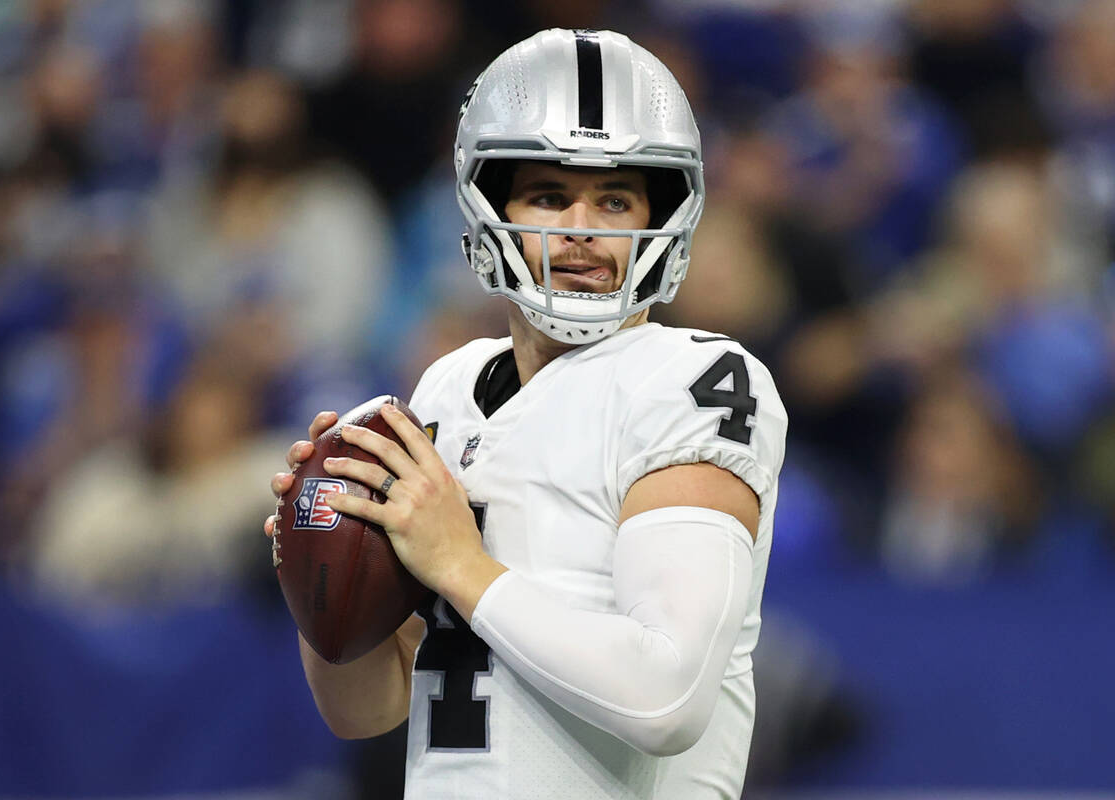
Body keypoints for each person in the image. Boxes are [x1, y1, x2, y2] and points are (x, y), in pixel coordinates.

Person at [264, 29, 787, 799]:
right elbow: (368, 709)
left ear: (662, 212)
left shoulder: (694, 378)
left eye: (615, 198)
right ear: (487, 207)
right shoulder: (448, 386)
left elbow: (666, 696)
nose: (581, 227)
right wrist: (323, 572)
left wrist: (460, 564)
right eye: (549, 195)